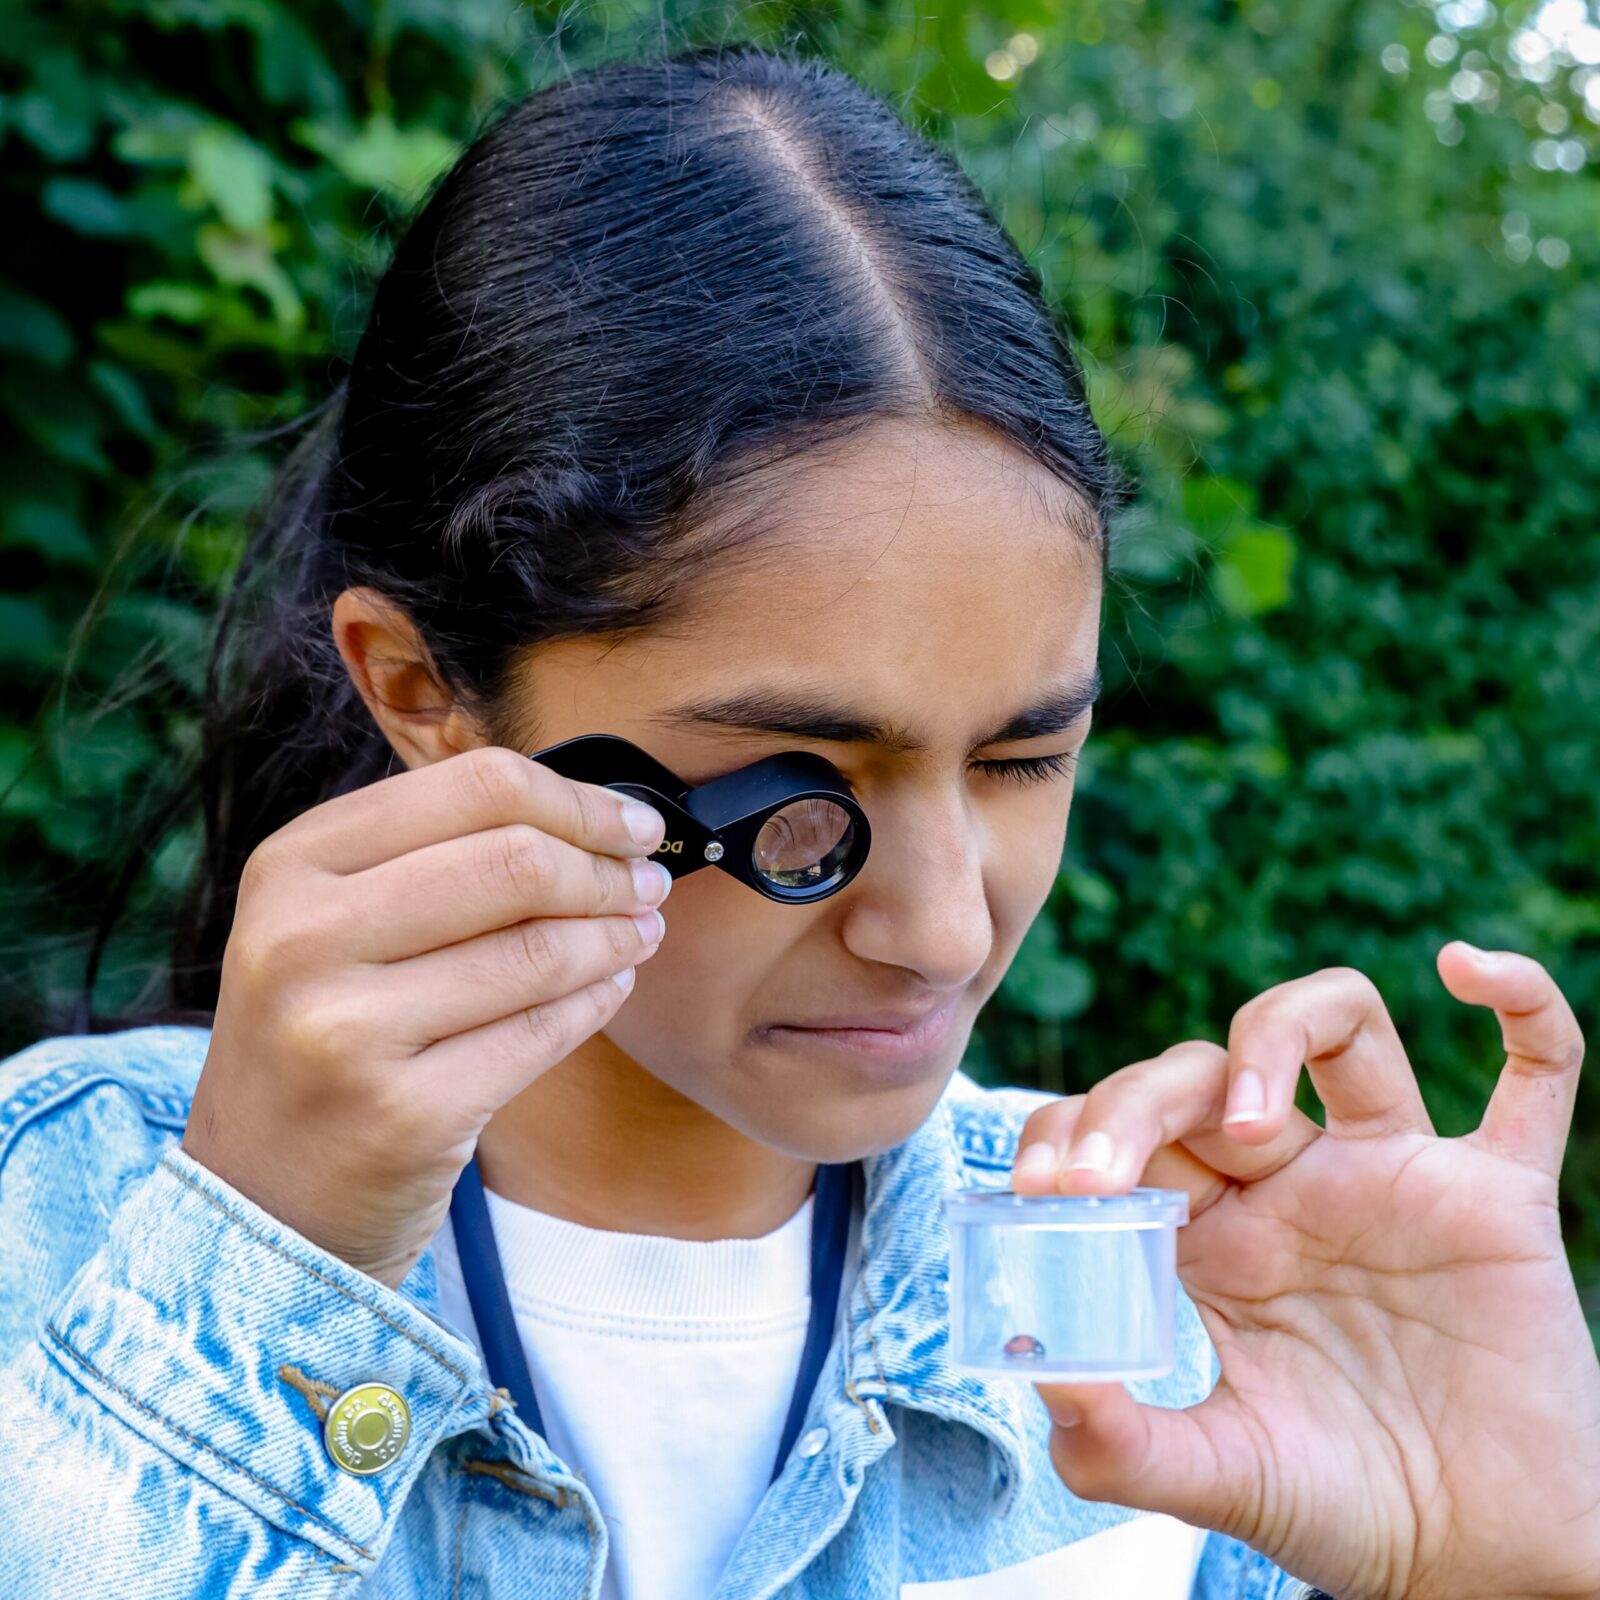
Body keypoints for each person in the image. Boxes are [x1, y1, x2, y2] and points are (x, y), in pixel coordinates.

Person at [0, 40, 1595, 1600]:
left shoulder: (1184, 1312)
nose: (945, 929)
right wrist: (263, 1268)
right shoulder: (58, 1224)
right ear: (421, 689)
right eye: (797, 789)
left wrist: (1499, 1567)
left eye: (1025, 759)